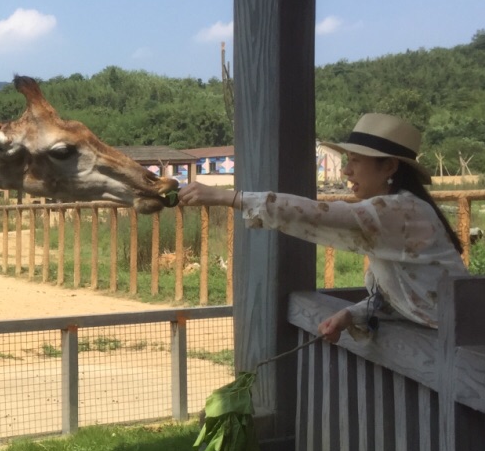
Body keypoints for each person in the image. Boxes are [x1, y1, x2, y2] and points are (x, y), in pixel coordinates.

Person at [177, 113, 468, 343]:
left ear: (390, 167)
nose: (346, 171)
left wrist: (228, 197)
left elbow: (318, 214)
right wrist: (350, 314)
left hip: (466, 345)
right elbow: (405, 296)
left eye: (355, 161)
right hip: (452, 341)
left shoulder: (401, 211)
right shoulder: (398, 211)